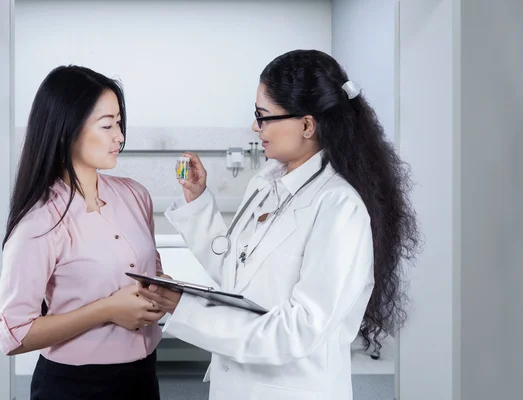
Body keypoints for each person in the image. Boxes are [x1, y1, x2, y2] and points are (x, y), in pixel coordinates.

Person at [138, 49, 421, 400]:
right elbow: (235, 273)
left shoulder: (339, 207)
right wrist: (198, 203)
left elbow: (297, 331)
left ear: (306, 124)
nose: (255, 127)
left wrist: (183, 308)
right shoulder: (265, 182)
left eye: (263, 116)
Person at [0, 65, 166, 400]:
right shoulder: (40, 222)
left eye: (119, 123)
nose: (119, 136)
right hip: (75, 386)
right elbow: (13, 334)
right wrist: (107, 309)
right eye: (107, 125)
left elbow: (154, 275)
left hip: (144, 376)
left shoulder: (136, 195)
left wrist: (162, 293)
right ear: (66, 131)